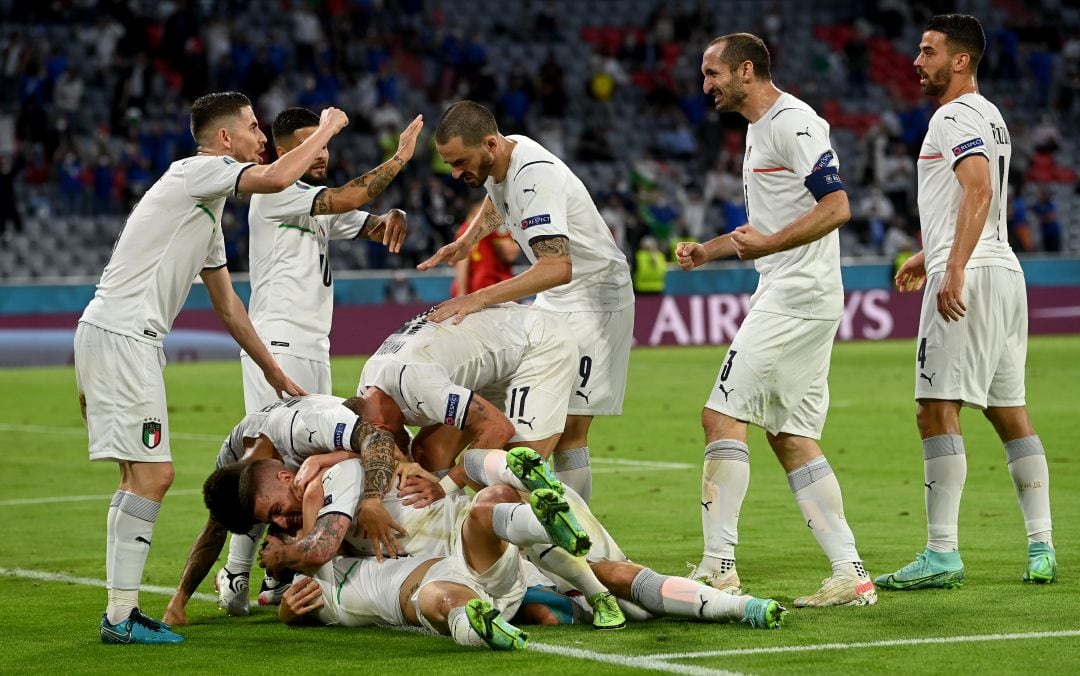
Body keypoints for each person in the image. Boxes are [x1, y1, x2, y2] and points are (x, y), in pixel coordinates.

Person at [74, 91, 348, 644]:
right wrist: (325, 131)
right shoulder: (200, 170)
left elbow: (228, 307)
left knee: (137, 476)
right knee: (154, 475)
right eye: (252, 128)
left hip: (120, 336)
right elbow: (272, 180)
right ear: (226, 140)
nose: (262, 139)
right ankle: (121, 619)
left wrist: (271, 371)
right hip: (125, 336)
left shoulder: (203, 212)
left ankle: (121, 613)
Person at [676, 34, 875, 608]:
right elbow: (762, 229)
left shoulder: (794, 123)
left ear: (746, 70)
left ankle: (719, 568)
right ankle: (851, 574)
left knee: (720, 416)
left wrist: (770, 244)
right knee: (792, 437)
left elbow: (836, 207)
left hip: (795, 295)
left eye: (713, 73)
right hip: (798, 291)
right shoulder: (760, 130)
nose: (705, 84)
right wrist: (707, 251)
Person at [216, 106, 422, 617]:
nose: (324, 152)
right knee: (266, 465)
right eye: (312, 143)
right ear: (285, 152)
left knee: (298, 463)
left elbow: (364, 218)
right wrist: (398, 158)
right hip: (279, 344)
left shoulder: (311, 202)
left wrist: (392, 221)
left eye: (326, 143)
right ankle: (238, 576)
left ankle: (276, 577)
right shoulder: (276, 192)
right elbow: (353, 195)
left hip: (314, 346)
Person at [878, 14, 1056, 590]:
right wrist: (927, 251)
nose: (916, 61)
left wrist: (950, 268)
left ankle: (942, 552)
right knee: (1010, 412)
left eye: (928, 51)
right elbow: (972, 195)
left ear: (959, 61)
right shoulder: (991, 114)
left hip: (971, 274)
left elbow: (977, 187)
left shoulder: (951, 116)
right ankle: (1041, 545)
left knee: (935, 407)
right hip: (1005, 272)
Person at [418, 100, 636, 503]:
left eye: (460, 161)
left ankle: (578, 540)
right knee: (531, 410)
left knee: (569, 428)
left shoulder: (535, 175)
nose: (455, 173)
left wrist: (476, 299)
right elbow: (496, 198)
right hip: (555, 298)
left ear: (488, 143)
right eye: (449, 164)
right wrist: (468, 239)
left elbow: (557, 267)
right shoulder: (503, 155)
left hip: (596, 299)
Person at [163, 394, 402, 626]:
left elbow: (378, 439)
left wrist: (372, 500)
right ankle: (271, 577)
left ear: (282, 475)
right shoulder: (232, 457)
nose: (281, 522)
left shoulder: (300, 431)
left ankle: (262, 576)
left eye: (274, 512)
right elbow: (213, 530)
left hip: (392, 465)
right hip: (347, 479)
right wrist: (179, 600)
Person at [356, 303, 576, 472]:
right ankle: (448, 522)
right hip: (487, 356)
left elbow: (498, 429)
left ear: (381, 427)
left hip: (536, 343)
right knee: (429, 454)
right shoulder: (366, 392)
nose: (395, 457)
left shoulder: (419, 382)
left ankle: (581, 528)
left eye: (388, 452)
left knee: (520, 471)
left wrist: (443, 488)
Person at [450, 200, 519, 297]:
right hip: (484, 283)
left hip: (492, 282)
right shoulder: (467, 232)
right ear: (475, 213)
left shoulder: (489, 230)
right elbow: (462, 263)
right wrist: (461, 292)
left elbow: (509, 252)